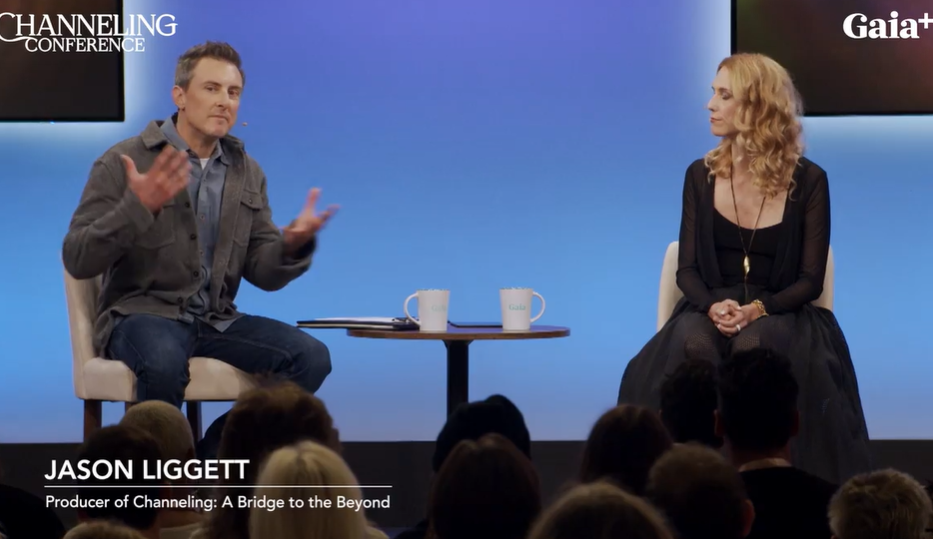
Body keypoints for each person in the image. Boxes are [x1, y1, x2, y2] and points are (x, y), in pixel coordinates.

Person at [616, 52, 871, 484]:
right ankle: (697, 481)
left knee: (755, 344)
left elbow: (810, 280)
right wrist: (714, 306)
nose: (710, 105)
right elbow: (687, 270)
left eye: (724, 95)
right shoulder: (700, 175)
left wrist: (757, 309)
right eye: (713, 93)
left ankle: (759, 480)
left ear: (757, 106)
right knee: (695, 341)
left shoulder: (810, 180)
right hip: (709, 305)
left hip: (781, 310)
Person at [62, 42, 336, 441]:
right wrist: (137, 209)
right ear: (180, 96)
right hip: (142, 314)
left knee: (311, 358)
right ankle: (161, 477)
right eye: (211, 88)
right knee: (162, 363)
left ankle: (214, 458)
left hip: (215, 319)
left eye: (233, 92)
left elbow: (263, 271)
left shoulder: (246, 171)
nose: (225, 101)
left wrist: (290, 248)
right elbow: (78, 257)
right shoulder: (123, 160)